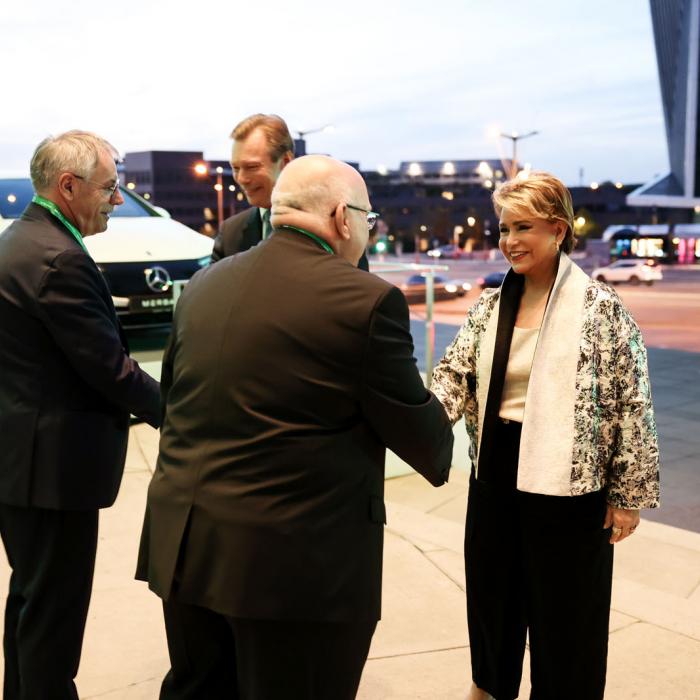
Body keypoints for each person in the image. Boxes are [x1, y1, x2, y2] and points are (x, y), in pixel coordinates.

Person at [136, 155, 454, 699]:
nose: (368, 235)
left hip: (187, 547)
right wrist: (448, 395)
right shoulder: (366, 301)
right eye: (370, 221)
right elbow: (424, 440)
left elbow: (176, 401)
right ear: (342, 216)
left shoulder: (203, 286)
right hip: (291, 573)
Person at [431, 171, 659, 700]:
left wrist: (628, 497)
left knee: (568, 612)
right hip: (497, 467)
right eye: (504, 229)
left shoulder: (601, 309)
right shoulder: (490, 307)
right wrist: (411, 420)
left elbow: (632, 402)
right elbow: (454, 377)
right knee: (493, 597)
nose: (509, 241)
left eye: (523, 227)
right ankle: (489, 686)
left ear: (558, 230)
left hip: (571, 478)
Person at [0, 130, 161, 699]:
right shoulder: (61, 259)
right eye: (110, 188)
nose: (117, 200)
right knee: (53, 619)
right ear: (68, 186)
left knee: (30, 604)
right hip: (54, 471)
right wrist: (181, 410)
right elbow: (111, 369)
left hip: (22, 461)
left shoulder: (18, 240)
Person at [210, 112, 370, 270]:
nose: (241, 178)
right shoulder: (230, 233)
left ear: (285, 162)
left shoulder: (335, 225)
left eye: (252, 167)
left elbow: (358, 289)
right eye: (236, 168)